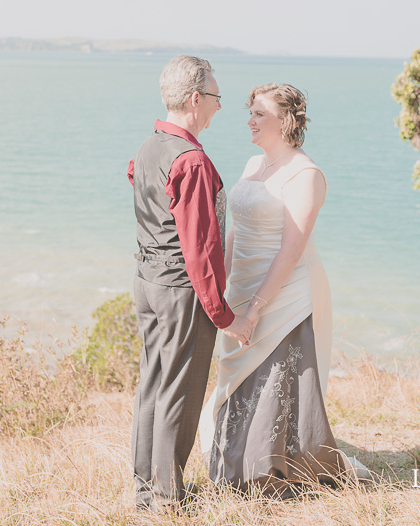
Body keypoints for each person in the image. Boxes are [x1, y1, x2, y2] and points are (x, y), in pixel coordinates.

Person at [199, 82, 369, 496]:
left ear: (285, 121)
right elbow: (237, 233)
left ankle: (276, 468)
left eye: (259, 113)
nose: (250, 119)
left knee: (274, 379)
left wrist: (256, 307)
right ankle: (235, 459)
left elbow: (291, 251)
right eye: (250, 111)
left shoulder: (305, 174)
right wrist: (221, 289)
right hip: (242, 286)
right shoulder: (251, 165)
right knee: (236, 376)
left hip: (285, 293)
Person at [127, 55, 255, 510]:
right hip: (181, 291)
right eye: (217, 98)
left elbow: (147, 204)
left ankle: (146, 489)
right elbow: (199, 248)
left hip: (147, 281)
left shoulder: (148, 147)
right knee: (180, 391)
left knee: (153, 384)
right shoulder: (193, 161)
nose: (220, 108)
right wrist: (224, 315)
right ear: (196, 99)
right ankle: (165, 500)